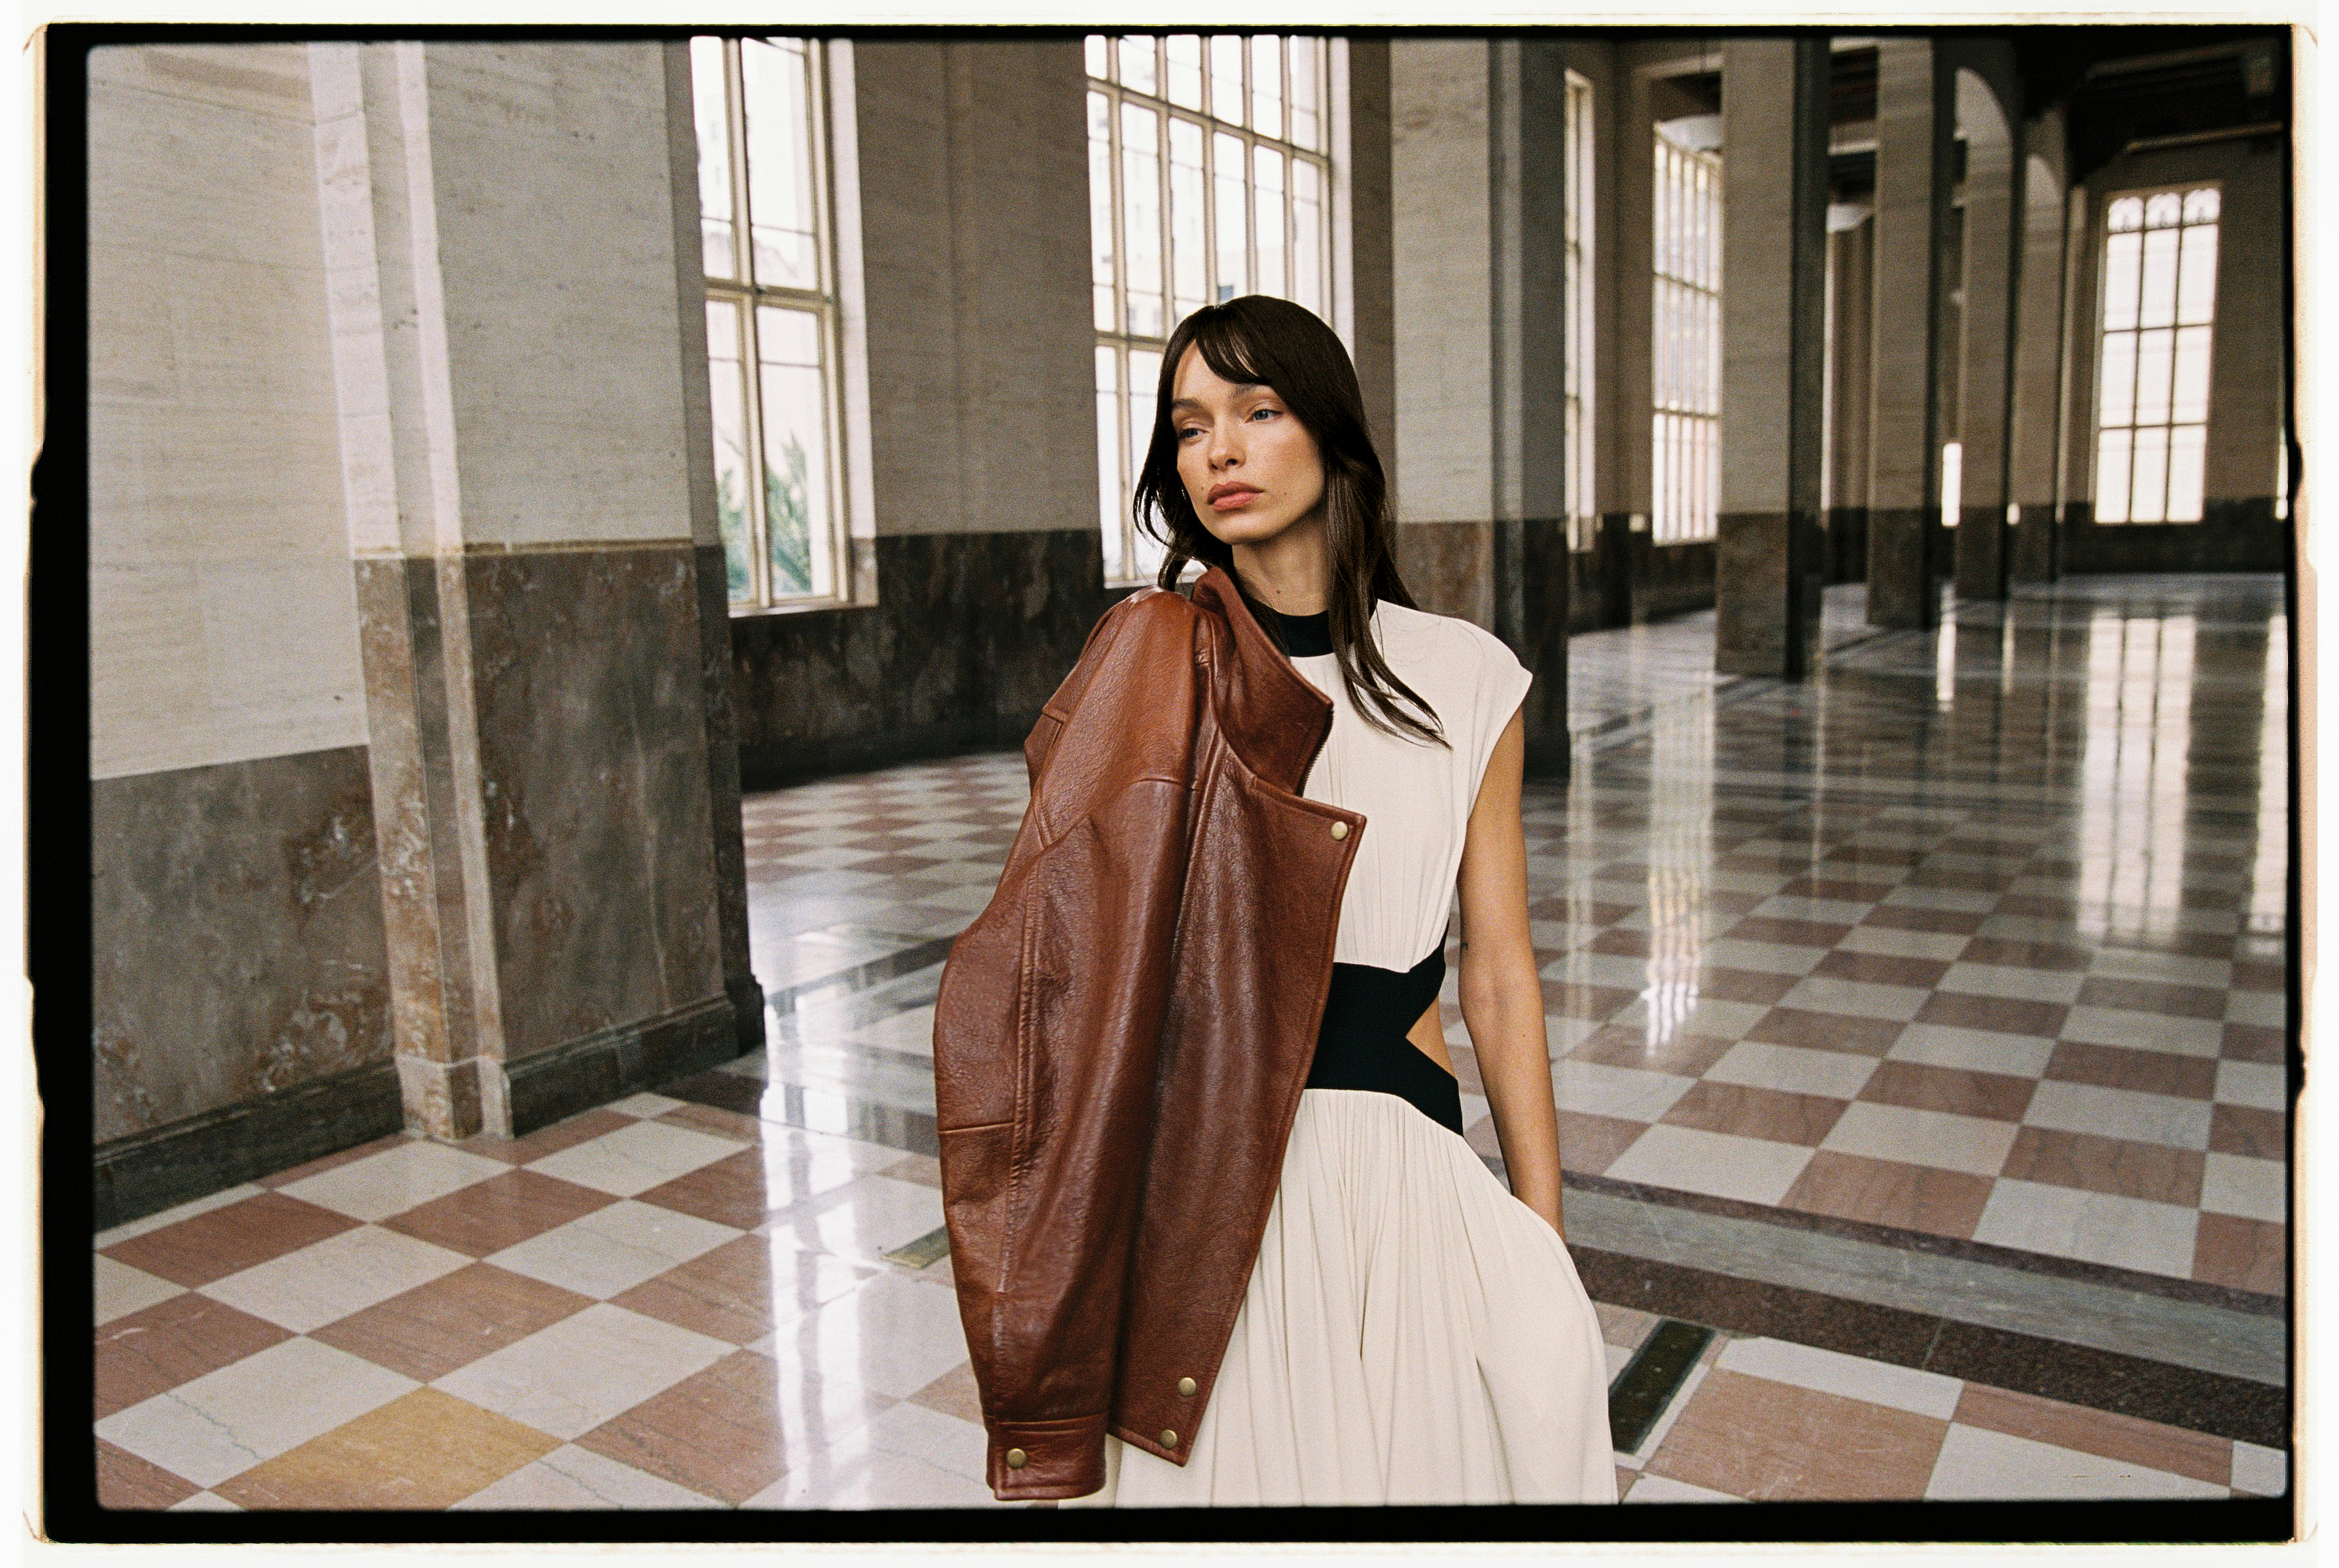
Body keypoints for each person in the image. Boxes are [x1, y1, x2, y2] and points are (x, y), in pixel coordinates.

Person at [1054, 296, 1616, 1507]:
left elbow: (1500, 968)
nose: (1221, 450)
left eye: (1258, 411)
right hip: (1209, 1179)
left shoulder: (1465, 674)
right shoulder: (1154, 664)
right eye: (1190, 424)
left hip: (1404, 1166)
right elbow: (1078, 962)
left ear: (1333, 437)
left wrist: (1542, 1223)